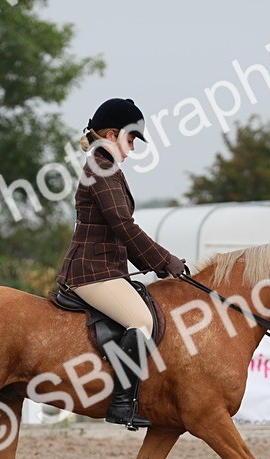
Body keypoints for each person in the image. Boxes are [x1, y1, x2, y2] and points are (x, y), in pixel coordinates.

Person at [57, 97, 188, 429]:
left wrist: (160, 264)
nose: (131, 149)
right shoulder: (100, 168)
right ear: (112, 135)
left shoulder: (106, 167)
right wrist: (164, 260)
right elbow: (123, 226)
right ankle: (120, 404)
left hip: (106, 270)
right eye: (130, 140)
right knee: (141, 321)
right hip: (91, 273)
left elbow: (119, 231)